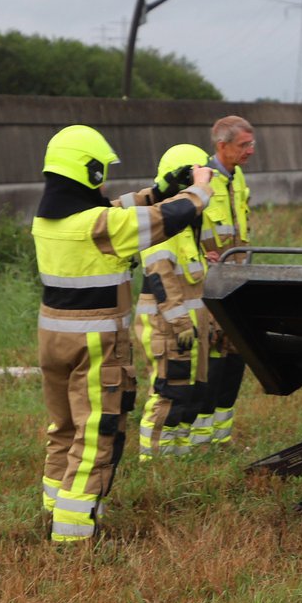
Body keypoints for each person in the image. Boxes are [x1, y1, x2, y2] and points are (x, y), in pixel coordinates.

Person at [33, 125, 211, 543]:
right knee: (98, 433)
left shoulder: (49, 221)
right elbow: (167, 218)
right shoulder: (100, 226)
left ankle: (54, 510)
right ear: (88, 170)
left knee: (62, 429)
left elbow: (117, 210)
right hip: (95, 344)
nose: (105, 179)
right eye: (101, 171)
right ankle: (74, 537)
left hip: (52, 339)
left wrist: (159, 188)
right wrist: (199, 191)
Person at [135, 143, 212, 461]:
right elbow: (161, 280)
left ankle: (176, 456)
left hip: (187, 328)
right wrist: (181, 323)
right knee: (168, 389)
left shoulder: (187, 224)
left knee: (186, 391)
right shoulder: (161, 224)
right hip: (168, 326)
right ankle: (153, 457)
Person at [200, 115, 255, 445]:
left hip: (238, 280)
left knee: (237, 354)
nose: (250, 150)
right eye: (243, 145)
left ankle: (222, 434)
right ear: (222, 146)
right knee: (213, 358)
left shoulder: (238, 178)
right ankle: (202, 433)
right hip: (209, 283)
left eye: (252, 144)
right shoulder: (202, 181)